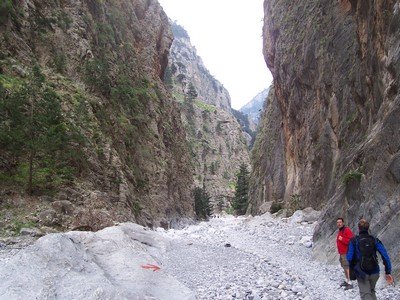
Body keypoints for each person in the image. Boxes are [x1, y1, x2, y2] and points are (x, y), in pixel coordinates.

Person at [346, 219, 393, 300]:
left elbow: (349, 258)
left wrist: (353, 269)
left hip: (361, 273)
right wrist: (388, 271)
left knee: (366, 295)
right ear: (368, 228)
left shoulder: (354, 241)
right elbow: (385, 255)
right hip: (375, 271)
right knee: (372, 292)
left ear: (358, 228)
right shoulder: (374, 240)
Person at [336, 217, 354, 289]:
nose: (339, 224)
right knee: (344, 266)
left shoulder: (346, 230)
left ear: (343, 223)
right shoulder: (340, 231)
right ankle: (347, 280)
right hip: (342, 253)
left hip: (346, 252)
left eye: (340, 222)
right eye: (337, 222)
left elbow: (351, 240)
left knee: (347, 267)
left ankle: (350, 282)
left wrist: (342, 239)